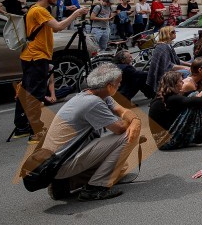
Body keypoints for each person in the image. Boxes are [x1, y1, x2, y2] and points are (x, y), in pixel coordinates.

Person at [36, 63, 141, 201]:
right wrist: (134, 123)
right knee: (127, 137)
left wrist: (134, 119)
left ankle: (66, 183)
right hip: (61, 163)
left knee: (121, 168)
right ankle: (95, 188)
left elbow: (122, 110)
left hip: (59, 162)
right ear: (109, 85)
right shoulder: (93, 103)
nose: (120, 85)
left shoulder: (93, 94)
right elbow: (120, 128)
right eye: (118, 83)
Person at [13, 0, 89, 141]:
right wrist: (76, 13)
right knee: (36, 94)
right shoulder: (39, 10)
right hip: (36, 56)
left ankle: (22, 126)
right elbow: (59, 26)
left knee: (27, 91)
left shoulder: (36, 9)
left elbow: (53, 29)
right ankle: (35, 130)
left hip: (32, 55)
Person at [148, 71, 202, 150]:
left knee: (194, 96)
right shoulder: (172, 98)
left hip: (163, 139)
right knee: (194, 104)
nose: (183, 82)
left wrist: (200, 93)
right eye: (180, 81)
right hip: (165, 141)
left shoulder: (164, 95)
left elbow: (190, 95)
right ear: (174, 84)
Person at [145, 26, 190, 93]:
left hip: (169, 69)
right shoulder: (163, 47)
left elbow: (177, 60)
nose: (175, 33)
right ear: (167, 34)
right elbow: (169, 65)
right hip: (164, 73)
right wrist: (186, 67)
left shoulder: (168, 45)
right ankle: (183, 91)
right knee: (187, 72)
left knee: (194, 62)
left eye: (175, 31)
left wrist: (189, 64)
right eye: (172, 32)